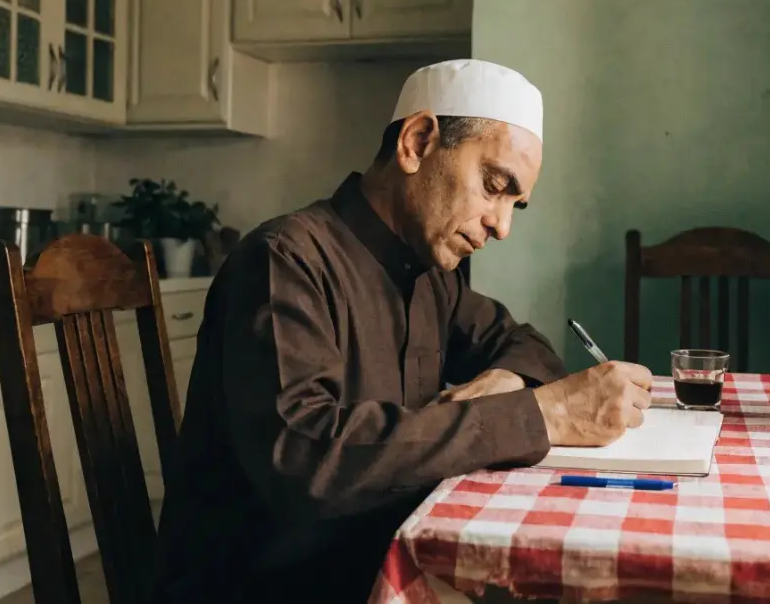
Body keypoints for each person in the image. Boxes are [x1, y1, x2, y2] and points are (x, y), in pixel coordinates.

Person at [149, 59, 653, 603]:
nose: (502, 226)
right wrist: (544, 414)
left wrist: (507, 378)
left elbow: (524, 343)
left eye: (515, 204)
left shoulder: (434, 276)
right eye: (493, 186)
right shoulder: (283, 261)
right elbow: (305, 456)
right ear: (416, 142)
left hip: (380, 562)